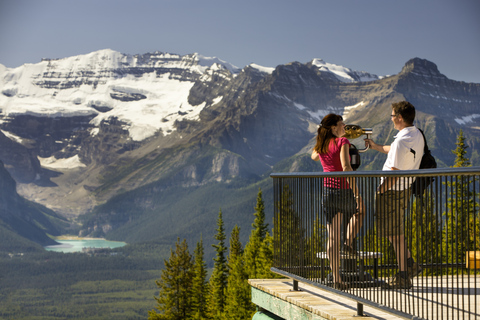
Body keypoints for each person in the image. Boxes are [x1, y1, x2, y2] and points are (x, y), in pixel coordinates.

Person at [364, 101, 424, 289]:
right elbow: (396, 151)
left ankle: (403, 276)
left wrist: (381, 190)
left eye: (392, 116)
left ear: (399, 118)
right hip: (405, 189)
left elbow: (394, 172)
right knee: (394, 231)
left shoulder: (401, 141)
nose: (391, 119)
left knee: (395, 234)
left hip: (392, 191)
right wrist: (375, 147)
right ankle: (410, 264)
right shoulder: (415, 134)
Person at [312, 113, 365, 290]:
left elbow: (313, 155)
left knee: (332, 238)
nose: (345, 128)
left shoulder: (321, 145)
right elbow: (346, 167)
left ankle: (337, 278)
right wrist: (357, 195)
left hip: (328, 192)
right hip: (343, 191)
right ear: (334, 128)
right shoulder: (343, 143)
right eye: (342, 125)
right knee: (360, 212)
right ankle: (348, 244)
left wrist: (322, 137)